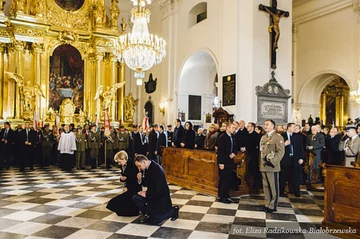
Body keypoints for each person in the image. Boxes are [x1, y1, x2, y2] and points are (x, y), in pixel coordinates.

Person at [133, 155, 179, 225]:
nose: (139, 168)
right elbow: (148, 183)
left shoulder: (157, 169)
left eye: (139, 166)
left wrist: (146, 193)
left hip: (160, 198)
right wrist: (140, 180)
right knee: (136, 198)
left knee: (155, 220)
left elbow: (160, 189)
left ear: (144, 162)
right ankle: (147, 213)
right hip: (152, 195)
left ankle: (173, 210)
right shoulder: (147, 168)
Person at [259, 119, 285, 213]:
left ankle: (273, 205)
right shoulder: (264, 137)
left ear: (272, 126)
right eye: (265, 124)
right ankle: (267, 204)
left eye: (267, 124)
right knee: (266, 186)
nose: (265, 126)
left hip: (272, 166)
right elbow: (262, 151)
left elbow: (281, 152)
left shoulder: (278, 137)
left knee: (273, 186)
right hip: (263, 165)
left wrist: (272, 161)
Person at [107, 151, 142, 216]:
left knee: (116, 203)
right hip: (128, 187)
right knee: (115, 204)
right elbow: (124, 177)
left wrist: (127, 187)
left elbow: (134, 179)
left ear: (124, 159)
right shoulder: (123, 166)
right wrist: (122, 179)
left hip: (134, 188)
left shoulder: (132, 165)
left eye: (119, 162)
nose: (119, 164)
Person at [280, 123, 304, 197]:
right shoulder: (281, 136)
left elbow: (301, 148)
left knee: (295, 177)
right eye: (293, 127)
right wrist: (284, 144)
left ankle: (296, 192)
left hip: (295, 159)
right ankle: (281, 192)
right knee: (283, 177)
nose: (295, 128)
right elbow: (277, 147)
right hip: (285, 159)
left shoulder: (298, 136)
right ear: (289, 127)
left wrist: (301, 158)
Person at [216, 122, 237, 204]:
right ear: (228, 128)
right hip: (224, 161)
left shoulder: (233, 137)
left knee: (228, 179)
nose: (234, 129)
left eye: (234, 128)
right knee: (224, 179)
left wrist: (234, 153)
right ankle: (222, 196)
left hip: (230, 161)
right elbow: (220, 151)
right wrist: (221, 163)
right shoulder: (222, 138)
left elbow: (235, 147)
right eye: (232, 128)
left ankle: (227, 195)